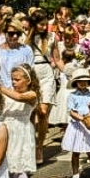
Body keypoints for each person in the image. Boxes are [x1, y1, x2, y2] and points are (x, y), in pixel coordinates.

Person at [0, 64, 39, 178]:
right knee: (8, 165)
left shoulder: (31, 94)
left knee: (21, 166)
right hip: (6, 131)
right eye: (12, 80)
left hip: (21, 131)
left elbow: (20, 98)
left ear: (28, 80)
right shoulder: (7, 94)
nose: (14, 83)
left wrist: (1, 87)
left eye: (17, 80)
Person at [26, 9, 60, 165]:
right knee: (30, 113)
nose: (44, 27)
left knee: (43, 111)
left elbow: (57, 58)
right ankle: (31, 144)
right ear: (34, 24)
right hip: (30, 74)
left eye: (46, 24)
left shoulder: (52, 37)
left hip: (46, 73)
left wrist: (69, 72)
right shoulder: (24, 38)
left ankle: (40, 146)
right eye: (41, 24)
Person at [62, 68, 90, 178]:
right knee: (76, 151)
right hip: (77, 125)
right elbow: (71, 111)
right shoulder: (72, 96)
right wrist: (81, 118)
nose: (83, 83)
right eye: (80, 81)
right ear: (75, 83)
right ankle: (75, 173)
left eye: (85, 80)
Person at [0, 18, 33, 89]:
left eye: (18, 33)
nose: (15, 36)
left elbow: (30, 73)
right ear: (4, 33)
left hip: (20, 91)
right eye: (11, 34)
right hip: (0, 90)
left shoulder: (26, 50)